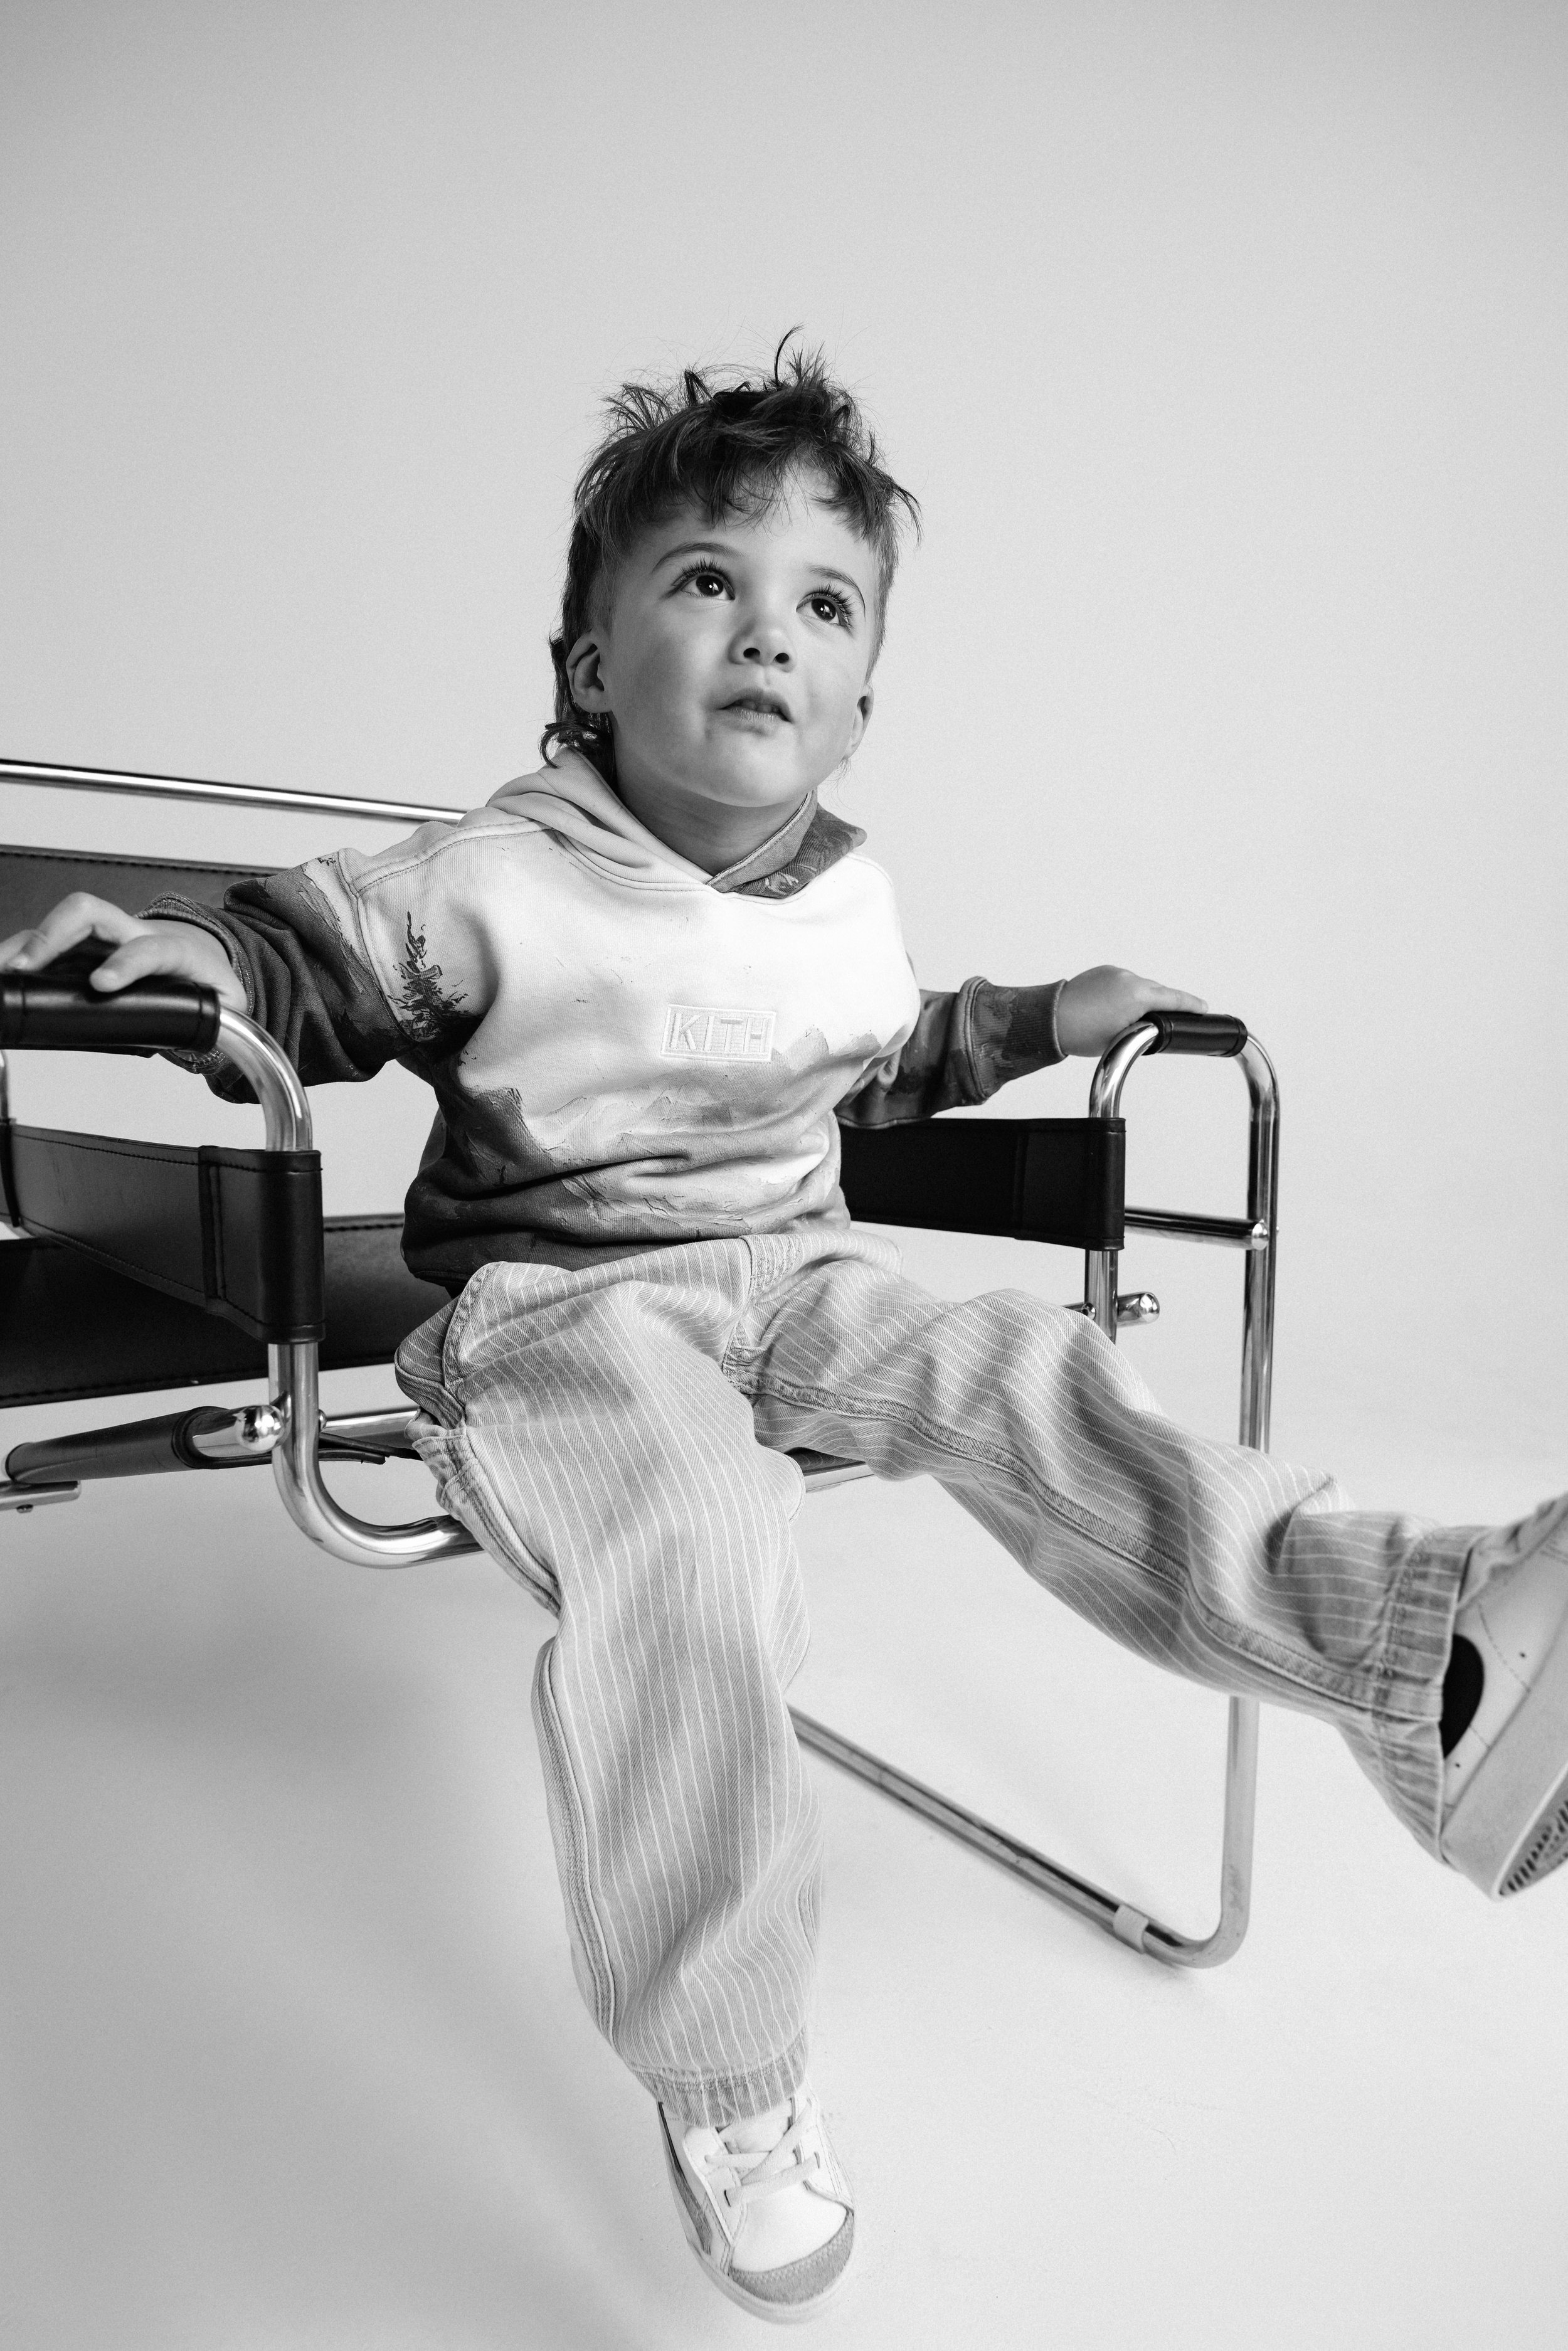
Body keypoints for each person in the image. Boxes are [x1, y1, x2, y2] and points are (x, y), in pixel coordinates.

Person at [4, 348, 1565, 2326]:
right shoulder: (500, 870)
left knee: (1029, 1372)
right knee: (695, 1526)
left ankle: (1425, 1659)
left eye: (820, 608)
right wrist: (203, 958)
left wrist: (1036, 1014)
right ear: (585, 666)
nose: (767, 634)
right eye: (705, 584)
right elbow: (319, 960)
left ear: (857, 700)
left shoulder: (843, 892)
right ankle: (732, 2080)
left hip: (796, 1277)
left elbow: (881, 1053)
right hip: (561, 1311)